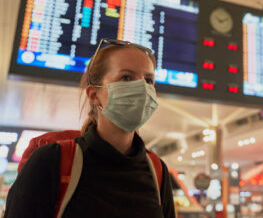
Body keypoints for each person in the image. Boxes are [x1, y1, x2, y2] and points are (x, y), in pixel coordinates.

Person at [4, 39, 175, 218]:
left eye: (148, 80)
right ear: (94, 95)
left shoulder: (157, 171)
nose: (142, 88)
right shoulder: (50, 161)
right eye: (126, 77)